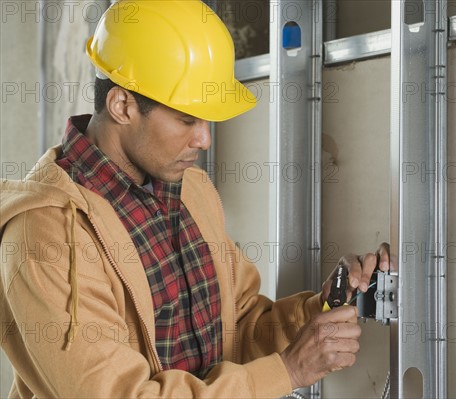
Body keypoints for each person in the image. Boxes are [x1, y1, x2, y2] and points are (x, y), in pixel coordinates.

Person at [0, 1, 389, 397]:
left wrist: (321, 310)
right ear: (122, 105)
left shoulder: (190, 191)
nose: (204, 139)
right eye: (187, 119)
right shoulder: (46, 234)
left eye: (207, 120)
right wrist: (287, 371)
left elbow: (240, 329)